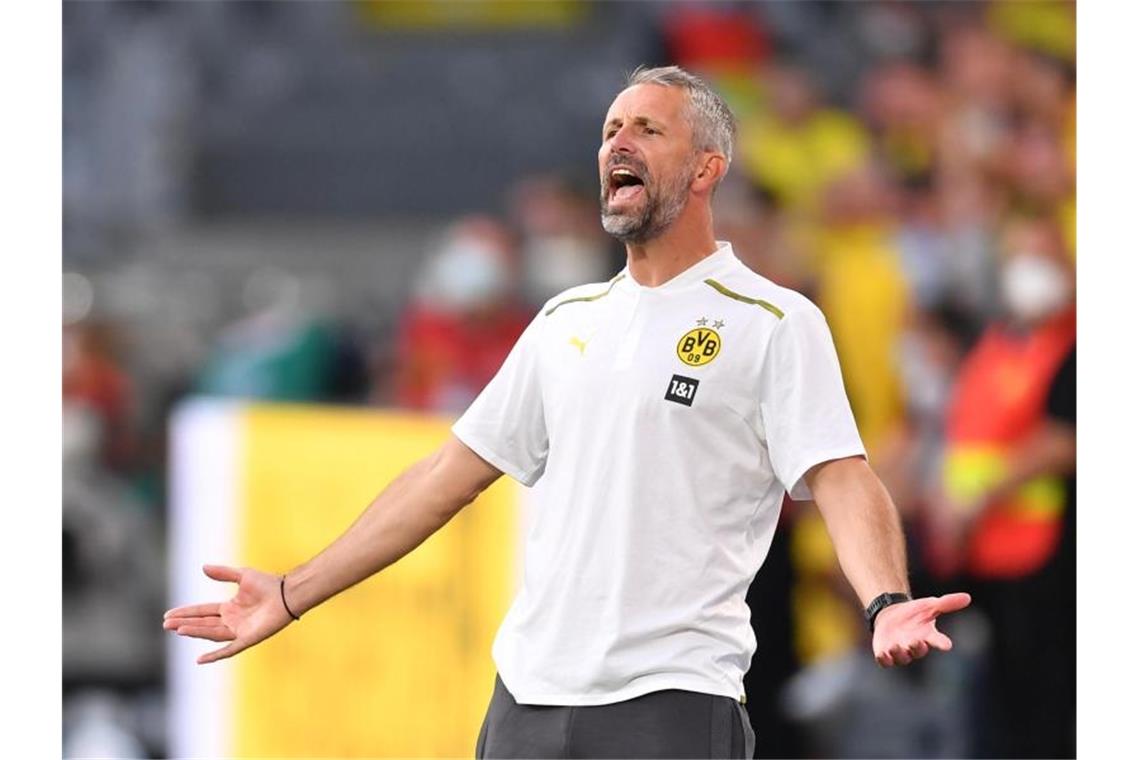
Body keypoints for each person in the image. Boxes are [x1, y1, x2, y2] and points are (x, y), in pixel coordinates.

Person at [164, 66, 971, 759]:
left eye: (648, 130)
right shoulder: (565, 321)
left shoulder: (770, 320)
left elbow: (840, 474)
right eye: (611, 128)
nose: (618, 143)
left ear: (704, 169)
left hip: (671, 701)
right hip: (525, 702)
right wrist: (292, 592)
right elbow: (445, 477)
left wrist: (886, 601)